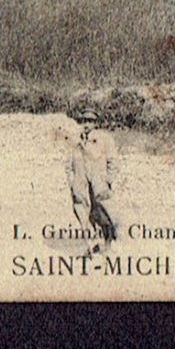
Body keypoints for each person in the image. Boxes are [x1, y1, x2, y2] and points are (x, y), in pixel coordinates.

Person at [67, 106, 117, 254]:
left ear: (96, 123)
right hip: (80, 185)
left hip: (98, 185)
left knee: (101, 214)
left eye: (90, 121)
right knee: (82, 213)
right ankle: (92, 246)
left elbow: (112, 161)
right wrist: (71, 182)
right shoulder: (76, 142)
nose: (86, 124)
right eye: (83, 121)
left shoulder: (105, 140)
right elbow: (69, 165)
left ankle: (109, 241)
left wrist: (109, 180)